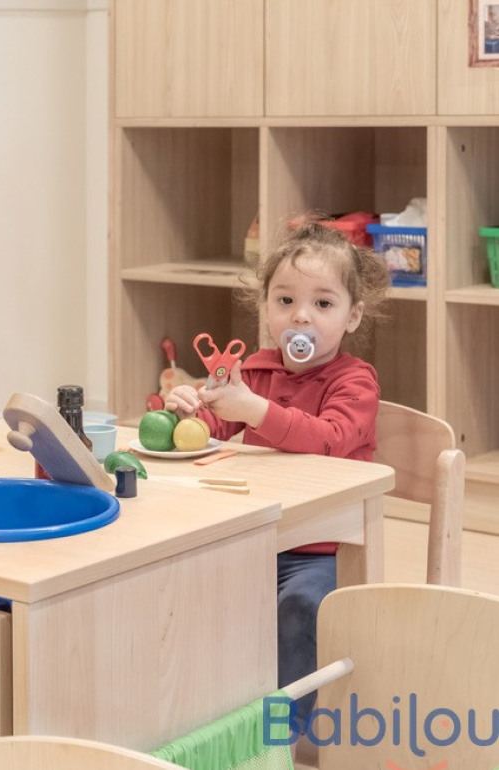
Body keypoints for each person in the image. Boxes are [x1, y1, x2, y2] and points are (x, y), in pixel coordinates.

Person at [164, 221, 390, 735]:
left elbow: (329, 437)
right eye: (285, 300)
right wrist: (188, 414)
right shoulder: (255, 371)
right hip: (259, 537)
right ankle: (214, 719)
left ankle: (281, 734)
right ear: (265, 307)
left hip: (327, 549)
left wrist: (255, 409)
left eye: (323, 305)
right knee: (191, 591)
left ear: (353, 316)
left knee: (299, 608)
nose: (301, 317)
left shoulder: (356, 381)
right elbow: (216, 426)